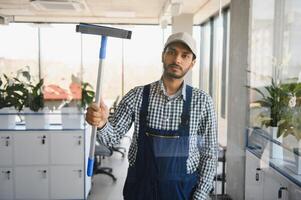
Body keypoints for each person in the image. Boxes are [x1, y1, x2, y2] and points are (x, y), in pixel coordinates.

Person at [85, 32, 218, 200]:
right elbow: (112, 138)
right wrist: (102, 123)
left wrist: (199, 196)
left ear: (192, 63)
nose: (177, 59)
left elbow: (209, 154)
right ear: (163, 56)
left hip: (183, 192)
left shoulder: (203, 102)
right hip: (140, 189)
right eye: (172, 52)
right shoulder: (137, 96)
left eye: (185, 55)